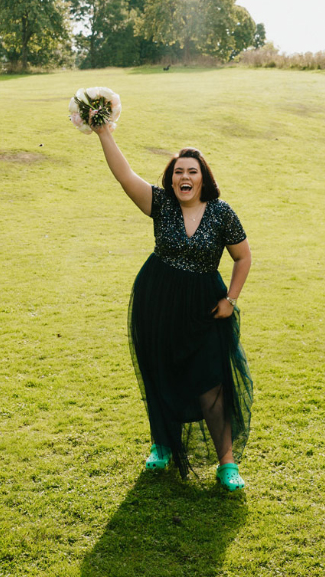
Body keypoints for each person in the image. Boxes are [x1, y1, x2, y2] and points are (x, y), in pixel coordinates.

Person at [94, 126, 254, 492]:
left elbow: (243, 256)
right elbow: (124, 175)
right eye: (179, 171)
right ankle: (162, 445)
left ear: (203, 178)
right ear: (171, 178)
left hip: (205, 307)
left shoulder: (221, 212)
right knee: (160, 374)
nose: (185, 177)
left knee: (211, 382)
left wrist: (230, 299)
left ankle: (226, 464)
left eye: (192, 171)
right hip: (158, 300)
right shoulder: (161, 204)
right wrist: (104, 132)